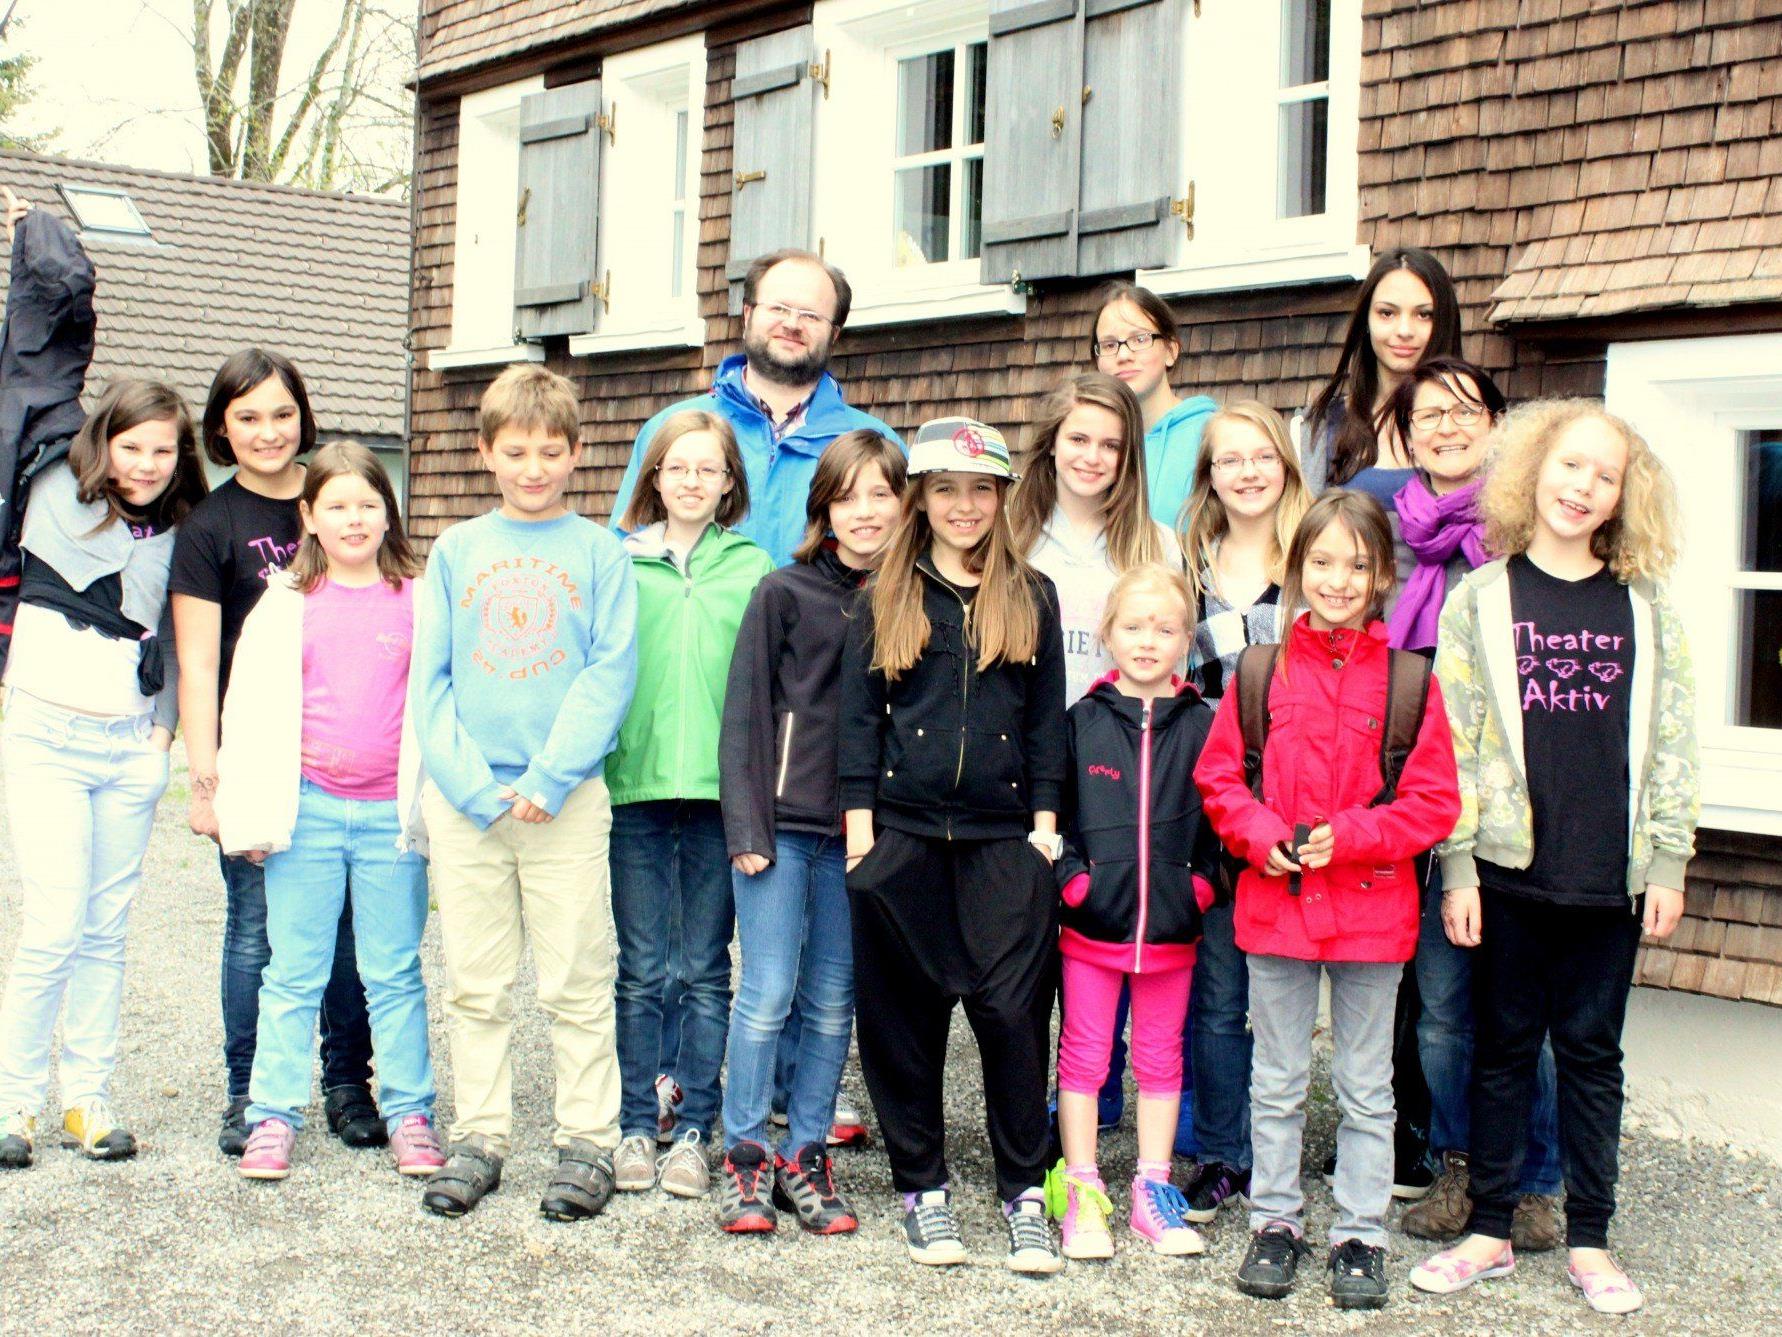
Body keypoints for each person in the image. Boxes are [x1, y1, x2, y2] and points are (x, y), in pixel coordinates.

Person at [1411, 403, 1697, 1316]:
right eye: (1570, 466)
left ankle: (1592, 1239)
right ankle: (1491, 1228)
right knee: (1500, 1050)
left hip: (1608, 879)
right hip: (1506, 874)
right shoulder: (1480, 599)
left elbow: (1675, 742)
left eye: (1604, 476)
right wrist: (1457, 867)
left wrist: (1669, 862)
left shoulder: (1645, 606)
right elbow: (1453, 743)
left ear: (1623, 497)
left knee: (1590, 1055)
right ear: (1533, 468)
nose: (1582, 487)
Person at [1195, 491, 1461, 1310]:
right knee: (1275, 1079)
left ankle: (1359, 1232)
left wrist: (1350, 834)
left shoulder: (1411, 680)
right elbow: (1217, 778)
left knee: (1364, 1085)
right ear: (1295, 567)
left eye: (1356, 563)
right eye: (1321, 561)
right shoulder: (1260, 669)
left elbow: (1433, 801)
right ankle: (1275, 1220)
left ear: (1383, 571)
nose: (1338, 579)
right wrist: (1259, 832)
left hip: (1371, 914)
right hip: (1276, 906)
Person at [411, 364, 638, 1222]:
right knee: (475, 978)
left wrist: (551, 776)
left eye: (550, 451)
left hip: (564, 800)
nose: (533, 467)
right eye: (516, 451)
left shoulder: (598, 553)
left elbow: (607, 674)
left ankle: (587, 1140)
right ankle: (481, 1135)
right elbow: (429, 681)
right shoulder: (457, 550)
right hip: (470, 802)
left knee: (577, 976)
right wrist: (470, 785)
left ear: (576, 453)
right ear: (486, 453)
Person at [170, 349, 379, 1157]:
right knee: (259, 928)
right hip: (261, 761)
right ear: (221, 427)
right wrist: (205, 781)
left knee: (350, 929)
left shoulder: (343, 496)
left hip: (349, 760)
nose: (267, 431)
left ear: (305, 416)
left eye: (281, 413)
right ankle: (247, 1087)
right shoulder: (209, 527)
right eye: (247, 416)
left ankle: (344, 1081)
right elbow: (196, 660)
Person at [215, 444, 439, 1182]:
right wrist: (246, 815)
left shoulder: (419, 597)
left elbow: (441, 705)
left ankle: (410, 1110)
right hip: (305, 811)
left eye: (368, 504)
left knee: (395, 971)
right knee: (294, 971)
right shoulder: (284, 604)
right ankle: (272, 1114)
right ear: (308, 515)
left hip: (389, 816)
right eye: (336, 505)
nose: (354, 519)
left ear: (388, 513)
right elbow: (245, 712)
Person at [1381, 358, 1566, 1249]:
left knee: (1517, 1005)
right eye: (1426, 416)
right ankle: (1461, 1170)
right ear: (1406, 435)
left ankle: (1533, 1181)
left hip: (1510, 808)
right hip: (1413, 800)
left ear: (1498, 422)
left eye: (1464, 411)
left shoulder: (1530, 535)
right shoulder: (1393, 534)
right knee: (1445, 1005)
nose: (1445, 428)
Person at [0, 380, 207, 1168]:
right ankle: (15, 1100)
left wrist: (161, 740)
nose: (147, 465)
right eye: (131, 446)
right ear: (103, 442)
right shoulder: (52, 491)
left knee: (105, 929)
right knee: (52, 923)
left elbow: (186, 641)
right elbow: (35, 379)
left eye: (163, 449)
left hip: (128, 748)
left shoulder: (182, 528)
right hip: (48, 736)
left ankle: (88, 1100)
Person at [715, 429, 908, 1235]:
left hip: (861, 836)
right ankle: (746, 1154)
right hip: (783, 826)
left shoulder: (911, 597)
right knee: (766, 993)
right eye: (849, 494)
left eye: (882, 494)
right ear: (824, 506)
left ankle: (807, 1153)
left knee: (833, 1001)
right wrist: (747, 822)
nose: (866, 511)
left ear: (905, 504)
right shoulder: (784, 592)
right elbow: (746, 716)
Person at [607, 410, 775, 1201]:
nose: (692, 481)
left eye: (709, 469)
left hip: (720, 793)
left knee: (707, 968)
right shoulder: (620, 561)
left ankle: (697, 1128)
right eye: (678, 467)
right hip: (636, 785)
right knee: (642, 968)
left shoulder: (752, 567)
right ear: (654, 476)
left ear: (730, 483)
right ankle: (638, 1120)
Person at [1047, 564, 1219, 1260]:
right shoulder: (1082, 721)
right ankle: (1083, 1191)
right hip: (1092, 928)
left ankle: (1152, 1188)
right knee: (1085, 1056)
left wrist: (1200, 889)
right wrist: (1074, 883)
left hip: (1173, 931)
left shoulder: (1205, 723)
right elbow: (1051, 816)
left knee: (1159, 1056)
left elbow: (1221, 828)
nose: (1148, 640)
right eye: (1134, 626)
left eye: (1166, 628)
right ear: (1108, 632)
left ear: (1185, 640)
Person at [1173, 400, 1311, 1223]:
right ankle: (1227, 1151)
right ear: (1210, 475)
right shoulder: (1187, 562)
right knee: (1220, 993)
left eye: (1264, 455)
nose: (1249, 470)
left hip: (1301, 804)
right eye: (1231, 459)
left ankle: (1288, 1148)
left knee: (1291, 992)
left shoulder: (1316, 558)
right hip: (1215, 804)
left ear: (1286, 466)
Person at [610, 248, 900, 567]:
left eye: (811, 315)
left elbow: (902, 562)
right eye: (778, 307)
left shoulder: (875, 443)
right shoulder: (673, 429)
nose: (792, 323)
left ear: (834, 334)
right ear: (748, 314)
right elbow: (626, 553)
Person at [1011, 371, 1178, 705]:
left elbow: (1174, 668)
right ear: (1052, 443)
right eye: (1078, 440)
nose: (1091, 457)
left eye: (1110, 446)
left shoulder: (1158, 545)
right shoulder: (1009, 535)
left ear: (1127, 455)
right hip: (1026, 745)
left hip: (1116, 747)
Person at [1089, 282, 1216, 528]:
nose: (1124, 355)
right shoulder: (1089, 447)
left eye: (1140, 339)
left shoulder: (1211, 432)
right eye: (1109, 345)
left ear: (1171, 350)